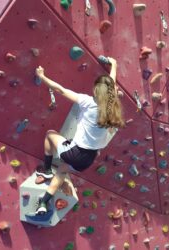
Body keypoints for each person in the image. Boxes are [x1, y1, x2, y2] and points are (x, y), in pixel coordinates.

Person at [34, 57, 124, 215]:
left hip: (74, 151)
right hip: (87, 160)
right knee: (62, 171)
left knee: (50, 135)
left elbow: (60, 90)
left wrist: (42, 77)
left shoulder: (88, 102)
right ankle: (43, 202)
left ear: (96, 91)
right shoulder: (112, 108)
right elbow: (111, 85)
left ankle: (47, 169)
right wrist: (114, 65)